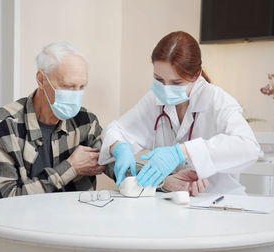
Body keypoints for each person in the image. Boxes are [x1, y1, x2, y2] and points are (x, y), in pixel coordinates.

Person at [0, 41, 114, 252]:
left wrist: (159, 175)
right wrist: (69, 169)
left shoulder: (85, 122)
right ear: (41, 79)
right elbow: (5, 204)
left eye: (82, 86)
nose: (76, 94)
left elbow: (112, 161)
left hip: (71, 238)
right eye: (68, 86)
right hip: (16, 239)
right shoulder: (2, 125)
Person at [99, 31, 262, 196]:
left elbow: (249, 148)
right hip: (175, 203)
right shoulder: (154, 100)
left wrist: (182, 152)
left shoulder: (216, 100)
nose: (165, 88)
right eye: (159, 79)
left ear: (196, 75)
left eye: (176, 83)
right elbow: (116, 129)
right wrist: (119, 147)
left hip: (221, 202)